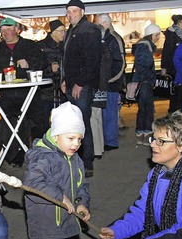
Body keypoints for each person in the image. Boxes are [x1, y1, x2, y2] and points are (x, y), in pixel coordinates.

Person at [23, 102, 91, 239]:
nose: (76, 144)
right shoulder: (43, 157)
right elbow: (32, 184)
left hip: (65, 220)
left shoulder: (74, 157)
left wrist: (81, 203)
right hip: (48, 223)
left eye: (79, 139)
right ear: (55, 135)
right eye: (71, 138)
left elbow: (81, 185)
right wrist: (61, 197)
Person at [0, 17, 47, 166]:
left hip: (29, 94)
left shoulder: (30, 46)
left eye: (8, 29)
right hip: (7, 97)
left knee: (38, 125)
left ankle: (42, 158)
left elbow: (43, 63)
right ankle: (16, 158)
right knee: (12, 127)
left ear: (17, 30)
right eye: (3, 30)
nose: (6, 33)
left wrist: (29, 63)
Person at [60, 0, 101, 177]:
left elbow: (92, 61)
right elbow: (67, 59)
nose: (70, 14)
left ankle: (87, 163)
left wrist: (80, 83)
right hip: (72, 84)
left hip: (82, 86)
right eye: (68, 11)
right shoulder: (72, 30)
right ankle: (78, 160)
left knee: (82, 124)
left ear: (82, 12)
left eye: (74, 11)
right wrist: (65, 80)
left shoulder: (89, 30)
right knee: (74, 123)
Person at [95, 13, 126, 152]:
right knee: (106, 113)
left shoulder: (113, 38)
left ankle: (111, 141)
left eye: (98, 23)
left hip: (111, 83)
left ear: (106, 23)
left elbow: (120, 63)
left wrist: (109, 79)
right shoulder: (107, 37)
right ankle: (108, 140)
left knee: (110, 113)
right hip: (107, 82)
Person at [132, 24, 162, 146]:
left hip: (143, 82)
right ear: (151, 35)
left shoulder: (144, 45)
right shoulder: (145, 47)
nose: (158, 37)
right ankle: (146, 133)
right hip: (145, 83)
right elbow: (142, 67)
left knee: (144, 109)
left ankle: (142, 133)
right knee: (147, 109)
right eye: (157, 35)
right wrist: (150, 78)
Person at [162, 14, 182, 113]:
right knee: (175, 87)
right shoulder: (171, 34)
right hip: (173, 64)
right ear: (177, 23)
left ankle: (181, 107)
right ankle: (174, 107)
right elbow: (167, 50)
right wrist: (164, 66)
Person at [38, 19, 66, 120]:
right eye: (61, 31)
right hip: (45, 92)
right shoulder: (40, 46)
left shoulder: (65, 46)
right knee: (44, 120)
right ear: (53, 32)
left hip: (62, 91)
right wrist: (50, 69)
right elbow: (36, 69)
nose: (64, 33)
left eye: (64, 31)